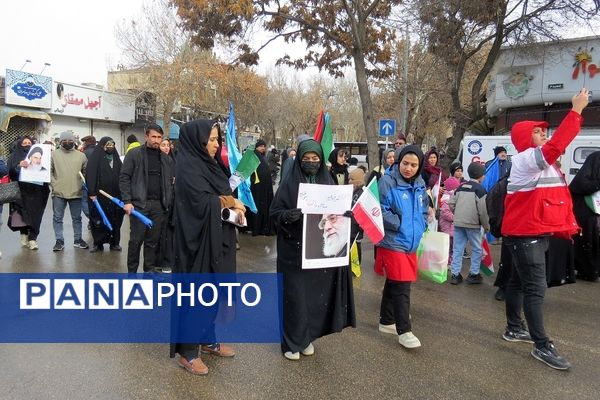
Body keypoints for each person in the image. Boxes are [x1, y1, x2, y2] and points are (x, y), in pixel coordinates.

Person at [501, 88, 589, 371]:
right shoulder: (527, 159)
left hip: (529, 233)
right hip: (526, 235)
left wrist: (567, 227)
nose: (545, 135)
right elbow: (555, 147)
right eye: (539, 132)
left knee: (517, 282)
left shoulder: (536, 163)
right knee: (535, 288)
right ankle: (541, 345)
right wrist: (575, 112)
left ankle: (514, 328)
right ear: (527, 139)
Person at [270, 139, 355, 360]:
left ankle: (306, 338)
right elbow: (274, 214)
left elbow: (340, 214)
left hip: (318, 256)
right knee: (295, 297)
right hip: (293, 253)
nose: (310, 162)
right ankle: (290, 342)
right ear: (299, 160)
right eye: (306, 159)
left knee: (314, 298)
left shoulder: (329, 184)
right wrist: (286, 216)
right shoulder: (288, 184)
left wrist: (348, 216)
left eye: (315, 159)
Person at [170, 119, 244, 375]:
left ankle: (207, 338)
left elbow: (221, 198)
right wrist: (228, 201)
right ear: (196, 141)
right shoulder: (188, 166)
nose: (215, 144)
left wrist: (235, 209)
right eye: (210, 140)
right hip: (197, 245)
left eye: (216, 139)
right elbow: (199, 205)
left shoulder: (213, 166)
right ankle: (188, 353)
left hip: (219, 239)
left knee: (215, 293)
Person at [376, 145, 429, 349]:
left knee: (394, 281)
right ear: (398, 162)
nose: (409, 168)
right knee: (402, 285)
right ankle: (404, 330)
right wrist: (398, 223)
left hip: (411, 241)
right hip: (393, 240)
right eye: (405, 163)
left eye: (414, 164)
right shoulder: (387, 181)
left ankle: (386, 320)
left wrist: (423, 223)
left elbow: (424, 208)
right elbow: (378, 208)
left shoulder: (420, 183)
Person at [119, 124, 175, 273]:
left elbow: (169, 182)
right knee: (136, 241)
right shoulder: (134, 154)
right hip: (139, 206)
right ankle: (132, 273)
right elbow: (124, 178)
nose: (156, 140)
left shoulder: (166, 159)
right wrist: (127, 201)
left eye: (159, 137)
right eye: (154, 137)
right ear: (147, 137)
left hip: (159, 207)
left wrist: (167, 203)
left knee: (152, 242)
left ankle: (148, 272)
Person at [7, 136, 50, 250]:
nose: (27, 144)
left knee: (36, 215)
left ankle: (33, 238)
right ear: (20, 144)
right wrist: (18, 166)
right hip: (21, 191)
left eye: (29, 142)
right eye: (24, 143)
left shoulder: (42, 159)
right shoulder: (14, 156)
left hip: (38, 192)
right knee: (22, 214)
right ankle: (24, 233)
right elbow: (10, 171)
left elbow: (48, 172)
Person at [448, 163, 489, 285]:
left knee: (457, 248)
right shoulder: (480, 190)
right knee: (476, 249)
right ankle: (473, 274)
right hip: (473, 224)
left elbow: (451, 204)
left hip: (459, 223)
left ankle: (455, 275)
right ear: (481, 176)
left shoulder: (460, 187)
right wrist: (486, 226)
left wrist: (458, 214)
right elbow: (483, 211)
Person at [51, 131, 89, 251]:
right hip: (58, 193)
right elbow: (49, 171)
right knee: (57, 218)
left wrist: (82, 184)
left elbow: (85, 173)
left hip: (76, 192)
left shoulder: (81, 156)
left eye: (70, 140)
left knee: (77, 218)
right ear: (60, 142)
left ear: (74, 141)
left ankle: (78, 240)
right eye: (65, 140)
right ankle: (59, 241)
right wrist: (54, 184)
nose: (67, 142)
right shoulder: (53, 155)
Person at [85, 137, 125, 253]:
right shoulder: (95, 158)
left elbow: (123, 176)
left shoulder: (117, 159)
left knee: (115, 219)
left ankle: (114, 243)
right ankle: (98, 243)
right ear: (102, 145)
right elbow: (90, 175)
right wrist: (92, 192)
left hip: (115, 196)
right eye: (108, 145)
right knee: (99, 219)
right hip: (99, 196)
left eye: (112, 145)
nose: (110, 147)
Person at [569, 150, 600, 281]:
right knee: (586, 243)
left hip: (593, 214)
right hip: (586, 213)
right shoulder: (594, 161)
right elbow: (581, 185)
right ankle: (588, 271)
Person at [247, 139, 274, 236]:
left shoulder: (262, 157)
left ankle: (261, 226)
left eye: (264, 146)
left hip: (263, 189)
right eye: (261, 146)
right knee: (257, 206)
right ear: (256, 147)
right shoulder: (253, 157)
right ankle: (256, 227)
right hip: (256, 189)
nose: (263, 148)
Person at [157, 136, 176, 272]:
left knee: (169, 234)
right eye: (163, 145)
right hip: (159, 203)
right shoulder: (156, 161)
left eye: (167, 145)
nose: (166, 147)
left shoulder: (173, 160)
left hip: (172, 203)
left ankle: (168, 261)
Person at [439, 177, 461, 265]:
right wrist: (456, 217)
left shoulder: (452, 197)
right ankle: (447, 262)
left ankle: (450, 262)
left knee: (452, 247)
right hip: (447, 227)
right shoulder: (447, 198)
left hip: (451, 227)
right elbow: (445, 213)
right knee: (448, 247)